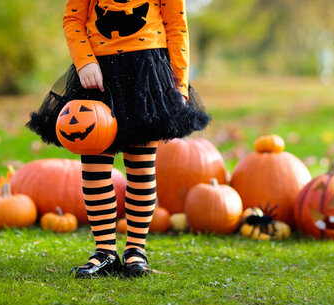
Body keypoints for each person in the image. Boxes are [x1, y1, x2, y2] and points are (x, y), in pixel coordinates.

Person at [26, 0, 210, 278]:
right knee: (95, 167)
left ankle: (136, 250)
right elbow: (73, 19)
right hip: (96, 76)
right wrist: (85, 61)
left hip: (147, 76)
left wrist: (179, 82)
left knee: (140, 167)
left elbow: (177, 26)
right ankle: (105, 251)